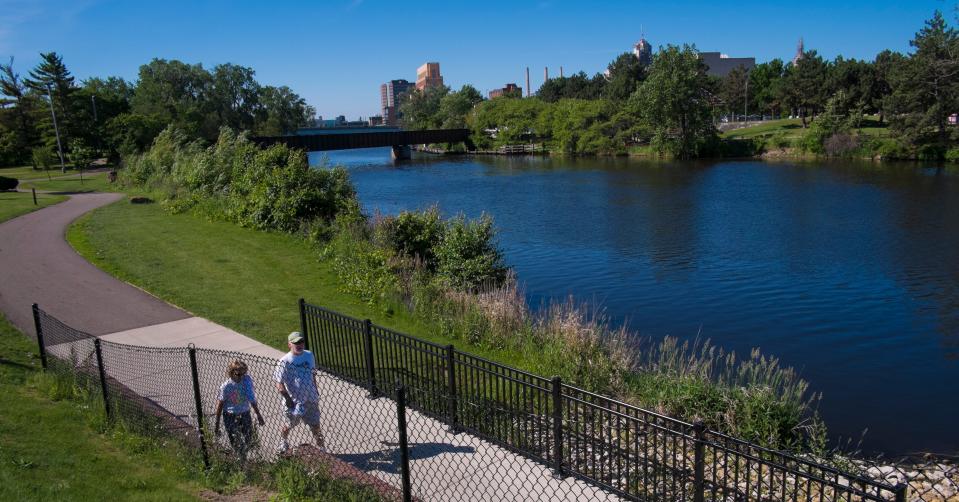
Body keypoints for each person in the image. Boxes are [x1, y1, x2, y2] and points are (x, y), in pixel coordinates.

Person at [274, 331, 324, 454]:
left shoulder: (309, 355)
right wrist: (288, 399)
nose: (299, 344)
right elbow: (279, 383)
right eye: (296, 342)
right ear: (289, 344)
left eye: (301, 341)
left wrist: (316, 392)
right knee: (289, 425)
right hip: (294, 402)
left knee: (316, 426)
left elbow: (312, 375)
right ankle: (283, 441)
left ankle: (322, 449)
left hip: (310, 399)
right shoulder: (284, 361)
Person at [213, 359, 265, 463]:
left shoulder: (246, 382)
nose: (242, 377)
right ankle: (241, 459)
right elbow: (220, 406)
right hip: (230, 415)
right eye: (238, 374)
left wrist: (259, 415)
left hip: (245, 413)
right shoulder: (226, 386)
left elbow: (252, 399)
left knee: (248, 438)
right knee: (235, 439)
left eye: (244, 374)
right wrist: (217, 424)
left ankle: (242, 455)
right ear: (231, 373)